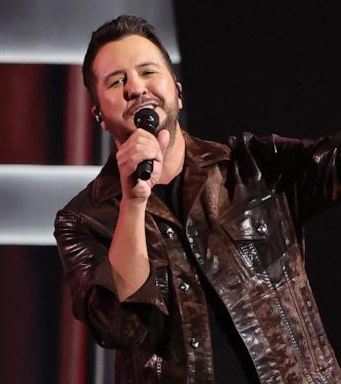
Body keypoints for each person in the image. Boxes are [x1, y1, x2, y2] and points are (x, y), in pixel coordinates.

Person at [54, 15, 341, 384]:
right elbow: (118, 328)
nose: (136, 88)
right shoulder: (82, 220)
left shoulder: (253, 168)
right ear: (99, 116)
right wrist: (133, 202)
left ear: (177, 91)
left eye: (147, 72)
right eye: (117, 81)